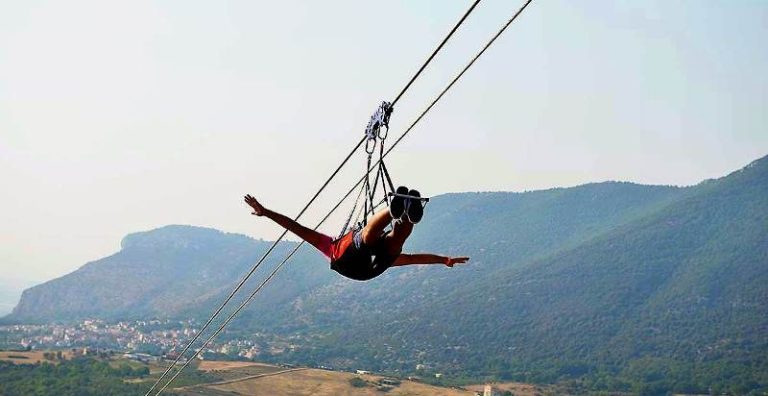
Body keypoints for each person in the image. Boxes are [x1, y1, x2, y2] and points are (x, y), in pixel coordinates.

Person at [244, 186, 469, 281]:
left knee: (382, 240)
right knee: (381, 240)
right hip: (355, 264)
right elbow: (412, 259)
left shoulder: (331, 246)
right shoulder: (332, 246)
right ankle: (399, 213)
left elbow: (296, 228)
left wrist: (443, 260)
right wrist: (442, 260)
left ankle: (404, 213)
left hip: (358, 265)